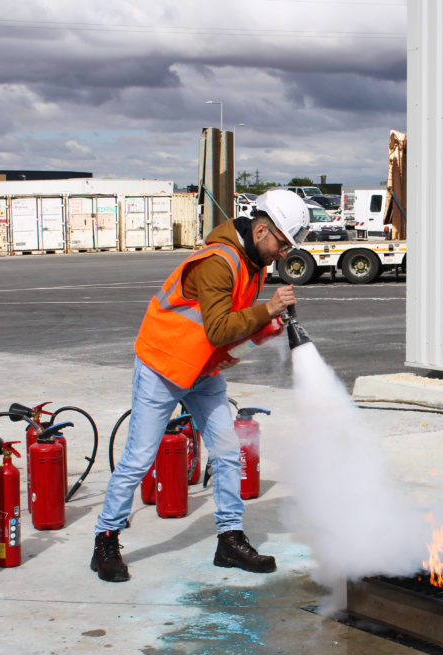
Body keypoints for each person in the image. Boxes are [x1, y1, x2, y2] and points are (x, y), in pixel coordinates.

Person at [90, 189, 310, 582]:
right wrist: (268, 309)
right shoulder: (218, 262)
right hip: (164, 365)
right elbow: (219, 327)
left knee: (227, 454)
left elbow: (234, 325)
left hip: (203, 369)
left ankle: (229, 539)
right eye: (281, 243)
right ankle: (105, 539)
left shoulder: (253, 263)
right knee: (139, 459)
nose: (283, 253)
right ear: (261, 230)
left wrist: (266, 326)